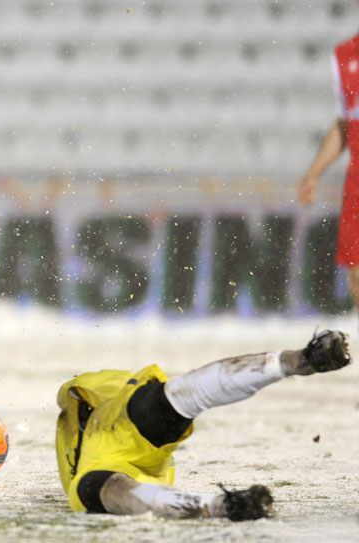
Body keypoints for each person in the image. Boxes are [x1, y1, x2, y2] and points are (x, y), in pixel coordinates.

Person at [55, 329, 351, 520]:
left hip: (117, 431)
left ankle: (220, 506)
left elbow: (75, 389)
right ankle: (297, 359)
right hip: (126, 457)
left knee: (112, 491)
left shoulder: (87, 395)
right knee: (182, 396)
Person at [298, 15, 359, 320]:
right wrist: (314, 172)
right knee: (357, 274)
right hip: (357, 182)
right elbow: (345, 123)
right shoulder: (346, 55)